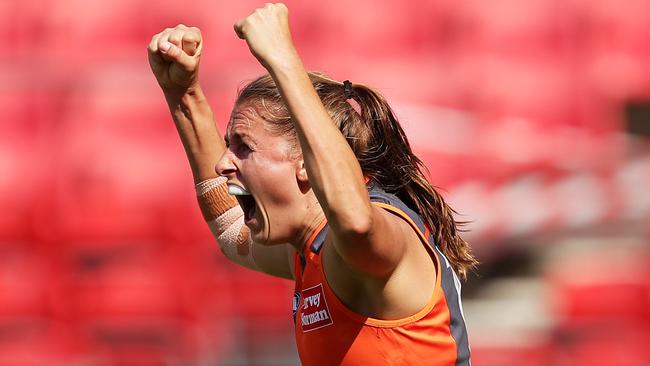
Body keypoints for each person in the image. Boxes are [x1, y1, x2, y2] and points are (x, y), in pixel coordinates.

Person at [147, 3, 476, 365]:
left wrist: (282, 57)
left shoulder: (374, 235)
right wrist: (185, 94)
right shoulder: (313, 251)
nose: (224, 163)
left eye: (244, 147)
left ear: (305, 162)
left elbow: (355, 222)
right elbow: (230, 233)